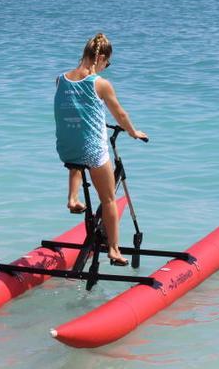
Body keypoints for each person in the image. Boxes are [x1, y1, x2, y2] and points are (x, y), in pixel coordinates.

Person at [54, 32, 147, 266]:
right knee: (108, 200)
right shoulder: (101, 84)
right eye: (108, 62)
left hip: (66, 148)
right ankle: (114, 250)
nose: (107, 67)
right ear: (102, 57)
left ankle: (73, 198)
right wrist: (133, 132)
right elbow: (120, 114)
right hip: (92, 152)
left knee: (78, 156)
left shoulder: (60, 79)